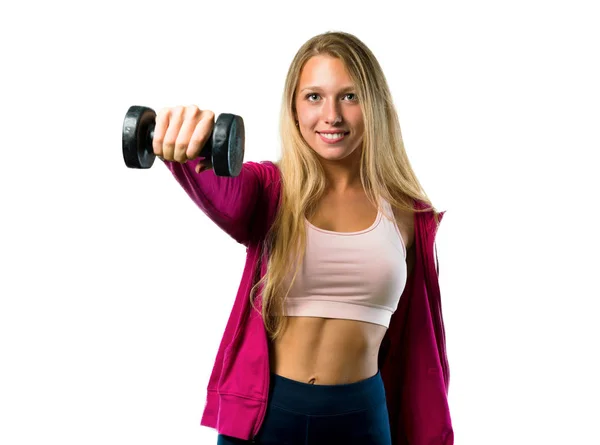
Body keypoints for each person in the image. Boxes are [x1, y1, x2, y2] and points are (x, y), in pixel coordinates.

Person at [154, 31, 453, 445]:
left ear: (375, 106)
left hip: (361, 418)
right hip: (268, 416)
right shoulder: (270, 189)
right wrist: (191, 146)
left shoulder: (407, 213)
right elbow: (225, 194)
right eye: (314, 97)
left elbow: (421, 354)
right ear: (294, 110)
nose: (331, 115)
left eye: (349, 96)